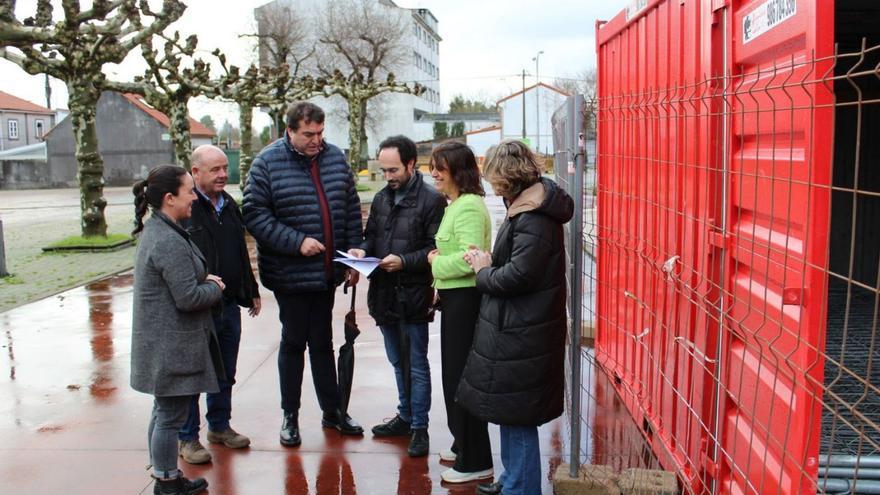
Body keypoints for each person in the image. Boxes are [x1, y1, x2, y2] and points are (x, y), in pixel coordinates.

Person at [242, 101, 364, 448]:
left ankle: (333, 411)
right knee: (294, 342)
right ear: (290, 131)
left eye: (321, 133)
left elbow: (350, 207)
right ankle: (290, 416)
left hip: (327, 272)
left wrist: (354, 251)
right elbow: (254, 215)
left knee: (323, 342)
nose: (316, 140)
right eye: (309, 134)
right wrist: (297, 243)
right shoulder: (266, 163)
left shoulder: (335, 157)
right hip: (290, 273)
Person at [459, 140, 574, 495]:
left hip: (525, 331)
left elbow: (519, 277)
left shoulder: (533, 217)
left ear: (505, 174)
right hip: (521, 328)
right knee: (510, 414)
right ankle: (512, 481)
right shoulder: (527, 207)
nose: (490, 183)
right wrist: (492, 262)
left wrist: (483, 271)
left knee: (518, 417)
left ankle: (521, 489)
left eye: (492, 175)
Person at [130, 165, 225, 495]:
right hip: (172, 346)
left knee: (164, 413)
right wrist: (215, 286)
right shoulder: (166, 240)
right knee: (170, 416)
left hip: (167, 344)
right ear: (170, 198)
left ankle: (166, 475)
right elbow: (187, 297)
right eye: (188, 191)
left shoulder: (161, 230)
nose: (194, 198)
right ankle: (167, 483)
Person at [349, 135, 446, 457]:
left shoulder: (431, 200)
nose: (388, 176)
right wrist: (361, 250)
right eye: (383, 170)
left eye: (393, 170)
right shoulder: (381, 198)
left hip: (414, 295)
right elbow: (372, 235)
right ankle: (405, 416)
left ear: (409, 164)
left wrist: (405, 261)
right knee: (396, 361)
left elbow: (435, 248)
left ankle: (420, 426)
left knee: (416, 364)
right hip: (384, 294)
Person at [175, 145, 261, 465]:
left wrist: (250, 290)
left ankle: (219, 426)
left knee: (226, 371)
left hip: (228, 304)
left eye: (225, 168)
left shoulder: (229, 205)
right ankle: (188, 438)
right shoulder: (187, 209)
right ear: (195, 172)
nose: (223, 174)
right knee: (196, 373)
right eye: (215, 169)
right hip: (199, 308)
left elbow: (240, 249)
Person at [426, 141, 494, 483]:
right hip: (455, 301)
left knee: (461, 379)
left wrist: (436, 262)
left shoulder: (467, 207)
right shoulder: (455, 204)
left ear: (459, 171)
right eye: (432, 167)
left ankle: (476, 458)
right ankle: (461, 442)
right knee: (453, 376)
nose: (434, 173)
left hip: (466, 301)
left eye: (441, 168)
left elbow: (472, 261)